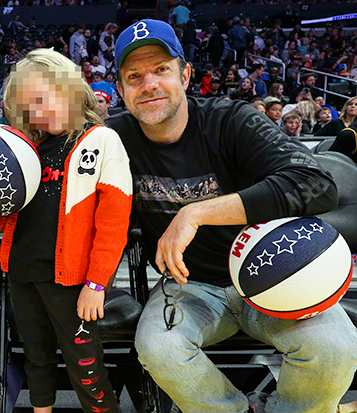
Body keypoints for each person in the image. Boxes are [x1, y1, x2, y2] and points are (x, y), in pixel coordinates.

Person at [108, 18, 357, 413]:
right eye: (134, 76)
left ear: (185, 75)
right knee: (158, 347)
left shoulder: (232, 120)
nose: (149, 84)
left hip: (275, 275)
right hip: (191, 286)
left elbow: (317, 184)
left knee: (336, 347)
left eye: (161, 70)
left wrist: (197, 213)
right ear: (120, 89)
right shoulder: (112, 139)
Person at [0, 48, 132, 413]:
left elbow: (113, 224)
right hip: (21, 273)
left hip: (72, 283)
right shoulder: (28, 146)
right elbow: (8, 216)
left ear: (71, 88)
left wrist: (97, 284)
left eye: (45, 99)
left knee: (86, 364)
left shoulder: (103, 140)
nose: (39, 112)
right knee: (37, 359)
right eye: (30, 106)